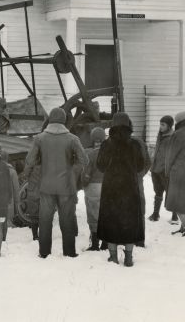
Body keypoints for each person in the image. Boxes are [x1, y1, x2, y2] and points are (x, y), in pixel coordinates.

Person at [25, 107, 88, 258]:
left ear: (50, 120)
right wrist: (72, 173)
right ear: (64, 120)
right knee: (66, 219)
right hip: (67, 186)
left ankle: (44, 252)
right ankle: (69, 252)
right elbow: (84, 160)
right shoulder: (72, 139)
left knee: (45, 220)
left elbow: (30, 160)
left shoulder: (40, 138)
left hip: (46, 185)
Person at [96, 112, 145, 267]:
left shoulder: (106, 144)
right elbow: (140, 166)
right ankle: (129, 257)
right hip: (130, 188)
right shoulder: (135, 144)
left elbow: (100, 166)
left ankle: (113, 257)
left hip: (111, 188)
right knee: (129, 221)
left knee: (111, 221)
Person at [164, 111, 185, 236]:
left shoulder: (177, 134)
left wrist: (167, 171)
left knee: (176, 200)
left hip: (178, 170)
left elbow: (171, 155)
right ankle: (184, 227)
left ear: (179, 122)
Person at [81, 126, 107, 251]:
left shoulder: (90, 154)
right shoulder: (111, 153)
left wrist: (83, 183)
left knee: (93, 215)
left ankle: (95, 244)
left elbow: (86, 174)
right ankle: (106, 243)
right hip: (109, 186)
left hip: (93, 187)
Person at [148, 115, 174, 222]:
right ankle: (155, 213)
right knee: (157, 191)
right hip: (155, 169)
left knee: (170, 192)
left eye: (163, 125)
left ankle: (175, 215)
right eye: (160, 124)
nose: (160, 127)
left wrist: (167, 168)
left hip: (165, 170)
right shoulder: (160, 135)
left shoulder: (172, 137)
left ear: (169, 126)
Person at [132, 131, 152, 247]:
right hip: (137, 180)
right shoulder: (140, 142)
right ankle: (139, 241)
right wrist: (140, 174)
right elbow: (148, 162)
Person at [1, 150, 20, 242]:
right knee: (5, 220)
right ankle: (3, 238)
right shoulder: (12, 171)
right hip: (8, 201)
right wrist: (17, 204)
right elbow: (16, 189)